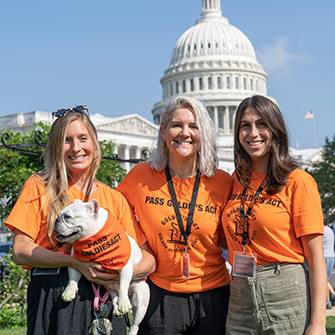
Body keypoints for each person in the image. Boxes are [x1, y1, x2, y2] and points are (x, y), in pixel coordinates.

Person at [5, 106, 156, 335]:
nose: (76, 148)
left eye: (83, 138)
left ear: (94, 144)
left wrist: (114, 273)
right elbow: (20, 251)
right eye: (66, 140)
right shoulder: (38, 187)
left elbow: (148, 260)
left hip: (104, 297)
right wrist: (75, 263)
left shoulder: (113, 198)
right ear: (56, 147)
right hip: (54, 294)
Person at [117, 96, 233, 335]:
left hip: (213, 296)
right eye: (177, 125)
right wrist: (141, 246)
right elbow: (112, 216)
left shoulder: (222, 181)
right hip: (160, 295)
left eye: (194, 126)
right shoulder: (139, 176)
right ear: (163, 132)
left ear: (205, 134)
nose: (185, 133)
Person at [221, 95, 326, 335]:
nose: (253, 133)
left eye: (262, 124)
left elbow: (316, 257)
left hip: (285, 290)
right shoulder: (234, 181)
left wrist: (318, 324)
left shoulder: (298, 181)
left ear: (275, 130)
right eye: (245, 125)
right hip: (240, 293)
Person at [324, 224, 335, 309]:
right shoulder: (329, 229)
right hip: (331, 255)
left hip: (324, 256)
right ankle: (332, 294)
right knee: (325, 279)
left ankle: (327, 302)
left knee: (322, 279)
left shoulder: (321, 230)